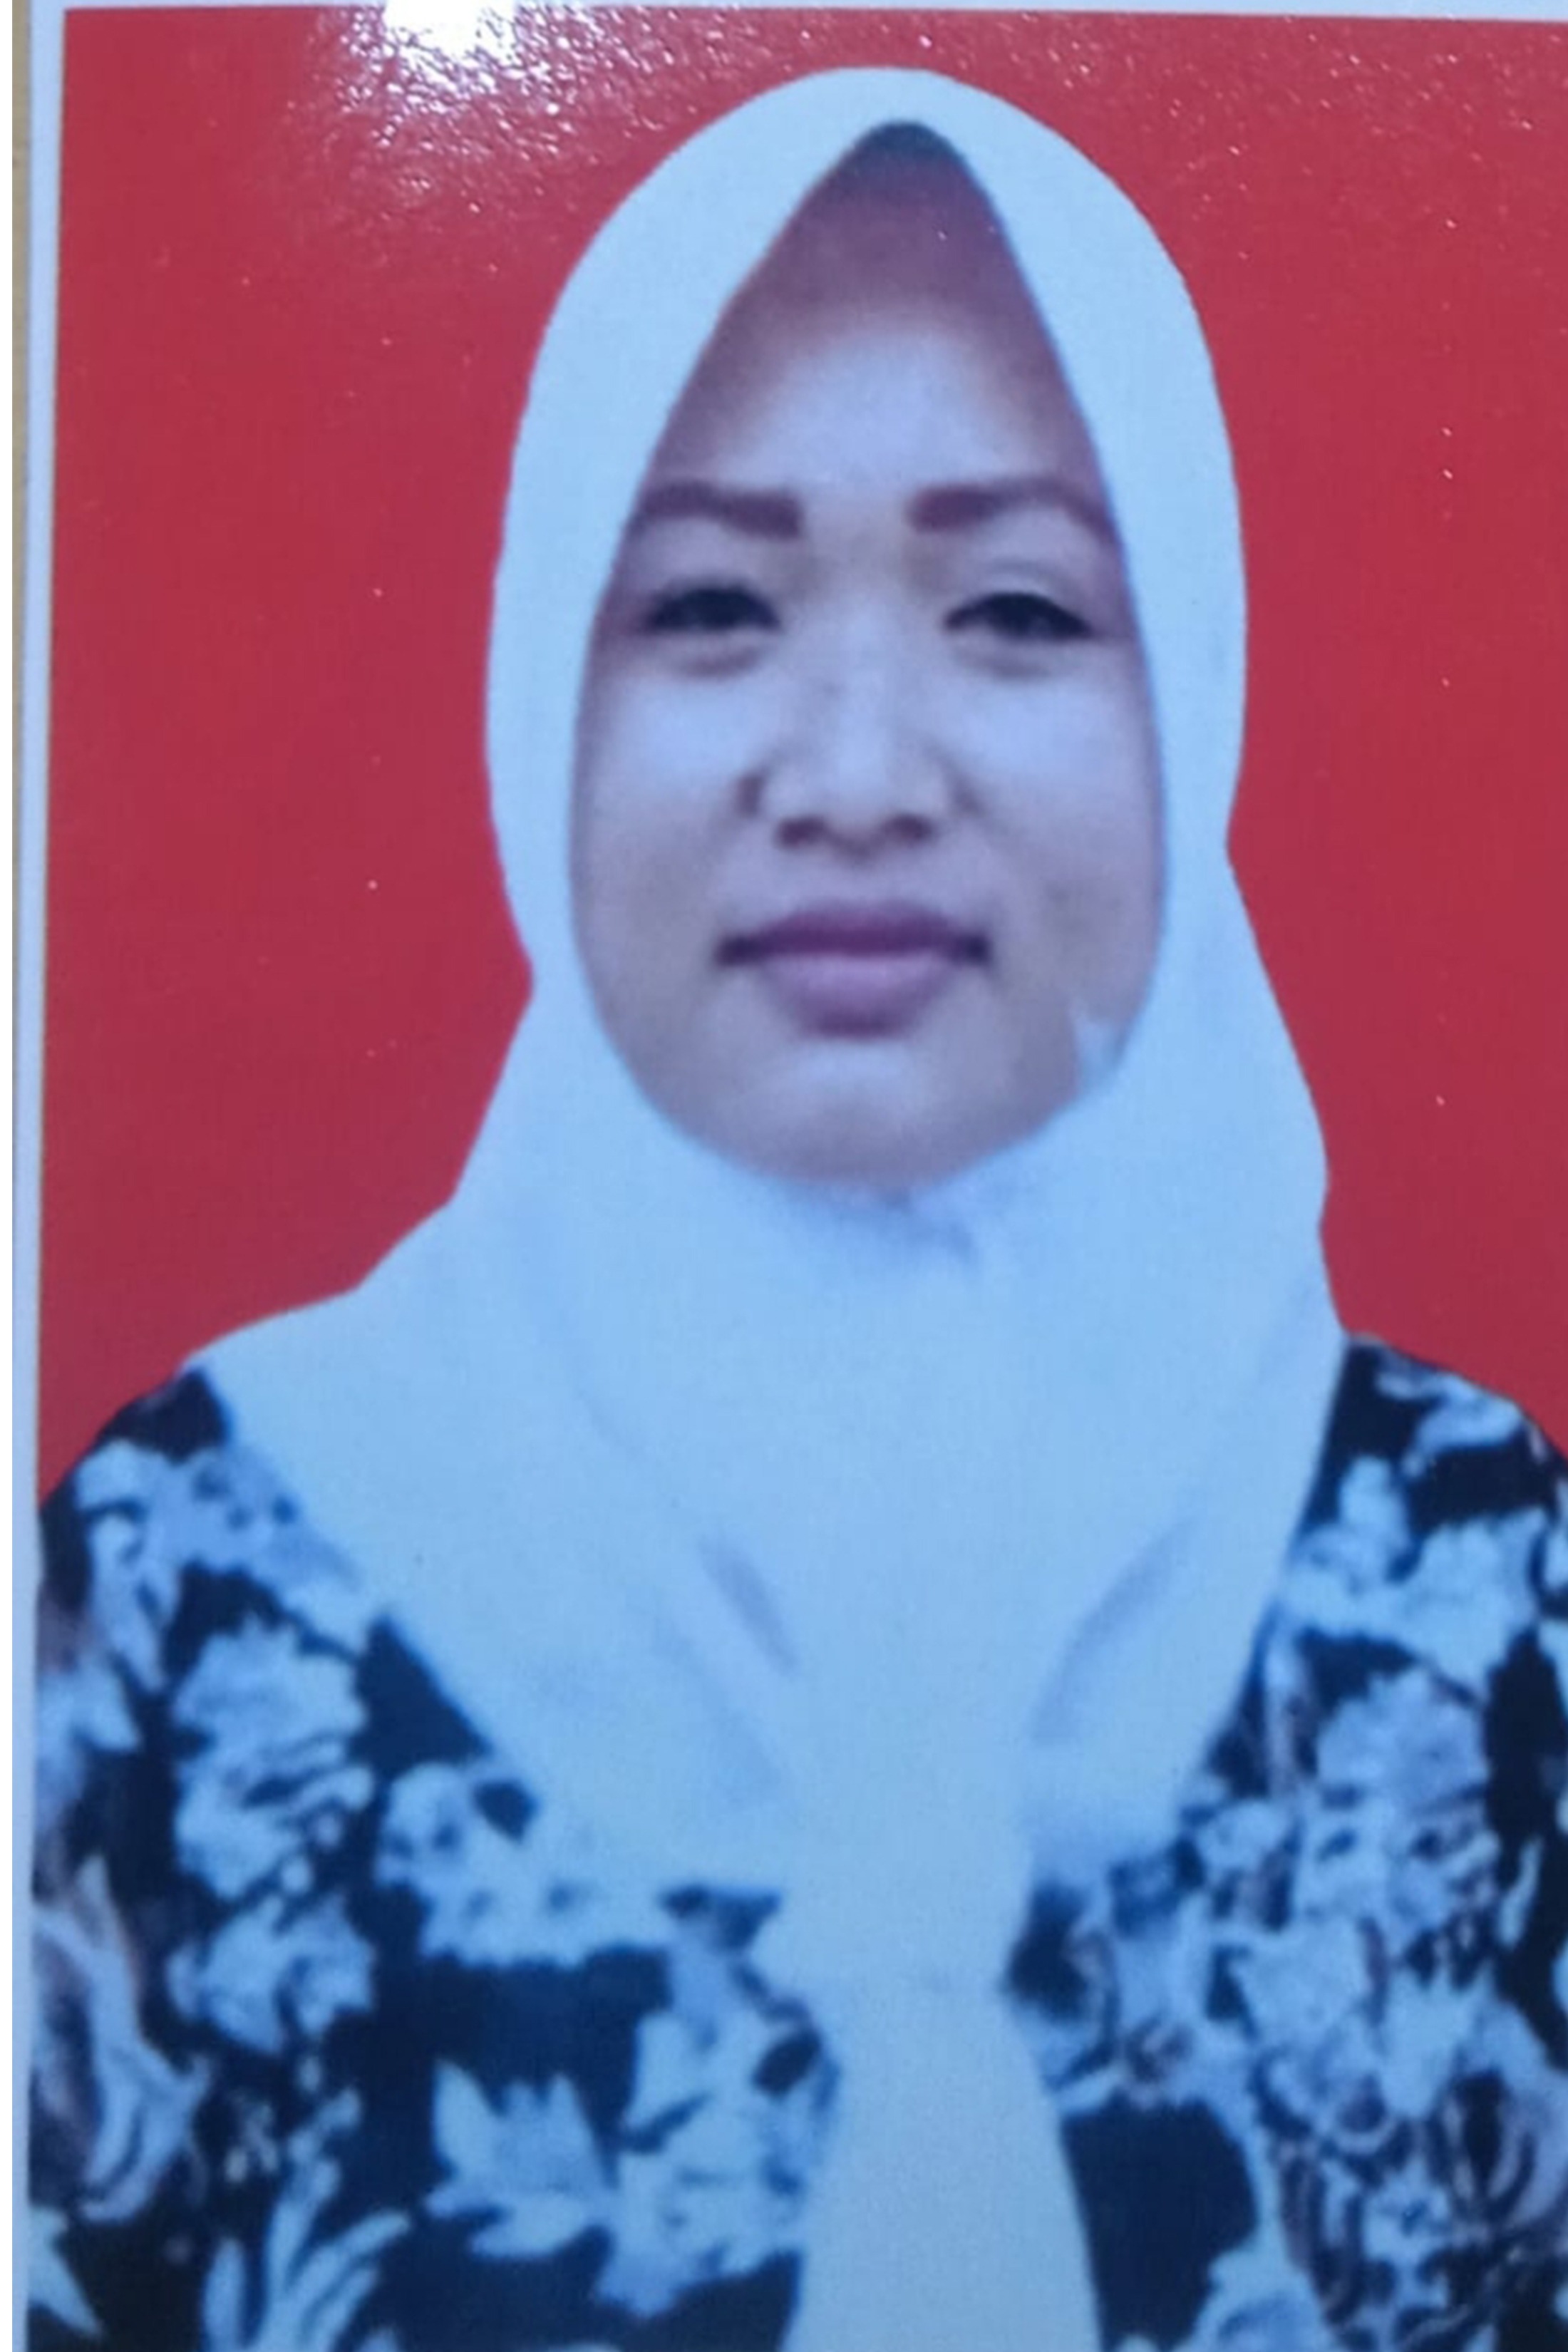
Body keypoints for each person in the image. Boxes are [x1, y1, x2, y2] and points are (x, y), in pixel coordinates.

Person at [29, 67, 1568, 2352]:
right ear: (540, 690)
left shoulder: (1484, 1585)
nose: (857, 776)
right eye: (713, 603)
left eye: (1020, 609)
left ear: (1198, 688)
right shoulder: (191, 1580)